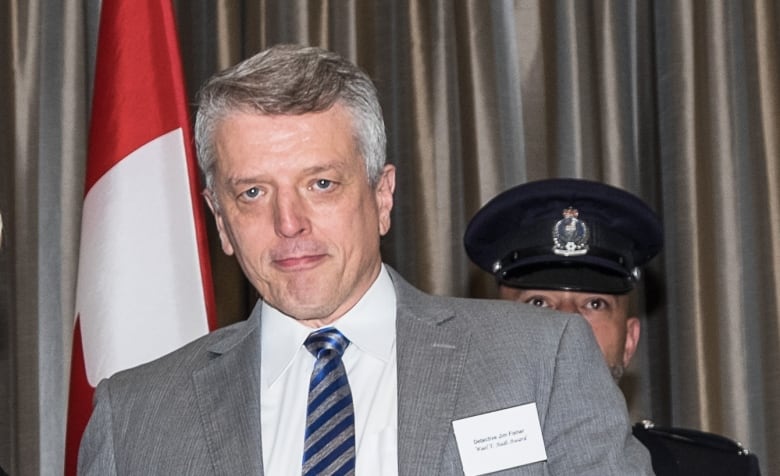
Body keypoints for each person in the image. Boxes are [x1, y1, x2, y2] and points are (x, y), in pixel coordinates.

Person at [77, 45, 653, 475]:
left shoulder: (540, 362)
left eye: (321, 183)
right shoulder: (133, 416)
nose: (289, 223)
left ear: (382, 196)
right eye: (253, 193)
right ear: (221, 220)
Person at [464, 177, 761, 476]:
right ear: (494, 333)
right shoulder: (434, 459)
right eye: (538, 302)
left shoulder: (713, 470)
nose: (568, 324)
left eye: (594, 304)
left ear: (629, 341)